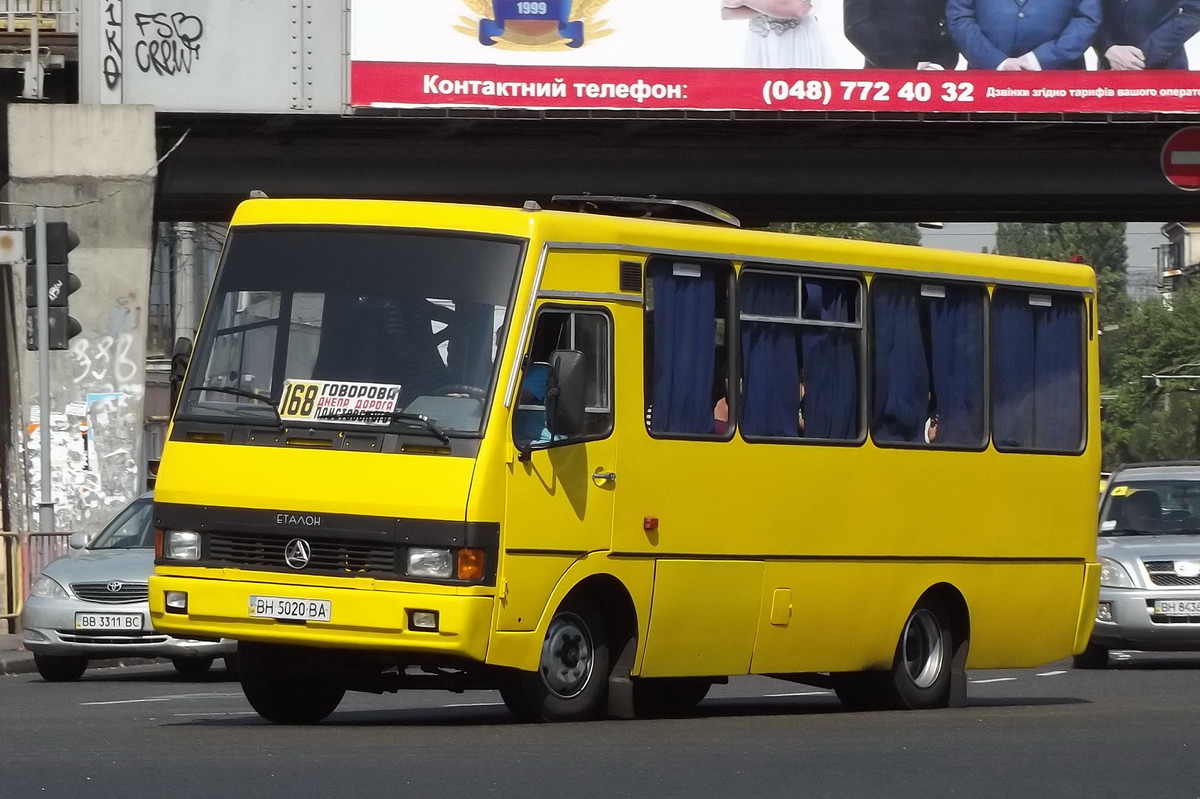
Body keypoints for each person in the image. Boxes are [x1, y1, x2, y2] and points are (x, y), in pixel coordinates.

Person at [946, 0, 1102, 70]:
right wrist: (996, 61)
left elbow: (1087, 19)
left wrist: (1041, 59)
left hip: (1060, 81)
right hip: (985, 80)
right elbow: (959, 17)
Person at [843, 0, 960, 69]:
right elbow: (856, 25)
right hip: (884, 76)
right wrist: (902, 68)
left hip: (935, 77)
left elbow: (955, 20)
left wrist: (939, 65)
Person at [722, 0, 834, 68]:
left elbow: (798, 8)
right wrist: (779, 7)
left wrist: (745, 1)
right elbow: (727, 12)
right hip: (760, 41)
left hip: (797, 40)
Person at [1093, 0, 1200, 70]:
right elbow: (1083, 12)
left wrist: (1145, 53)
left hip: (1164, 65)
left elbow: (1195, 12)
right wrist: (1106, 47)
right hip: (1111, 63)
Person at [514, 362, 552, 445]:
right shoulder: (501, 371)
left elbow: (518, 398)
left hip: (538, 439)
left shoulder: (542, 370)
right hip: (514, 434)